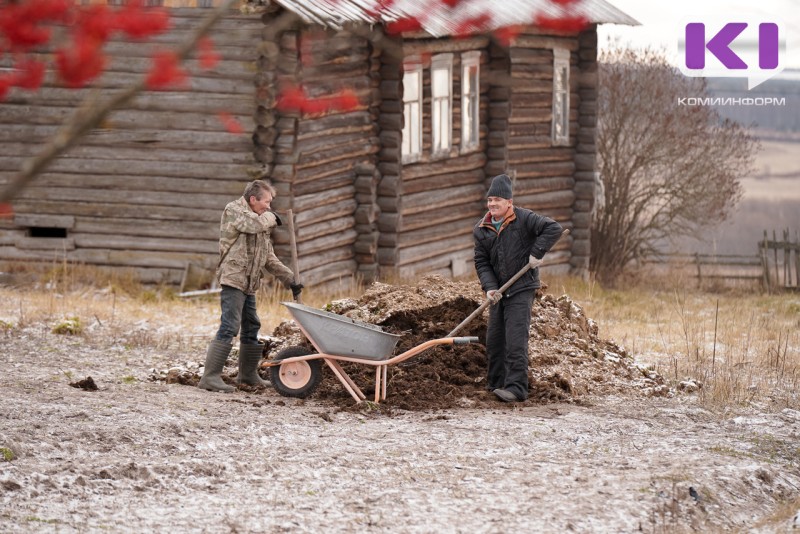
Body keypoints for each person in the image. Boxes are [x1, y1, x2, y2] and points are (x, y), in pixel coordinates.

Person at [199, 179, 303, 393]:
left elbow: (268, 257)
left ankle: (247, 375)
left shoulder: (260, 221)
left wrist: (289, 278)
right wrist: (270, 217)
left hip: (249, 282)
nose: (269, 207)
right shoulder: (234, 210)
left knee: (252, 326)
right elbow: (252, 225)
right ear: (253, 199)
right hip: (234, 278)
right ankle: (209, 378)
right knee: (230, 325)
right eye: (267, 202)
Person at [473, 174, 562, 403]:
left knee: (515, 339)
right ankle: (495, 384)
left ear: (509, 202)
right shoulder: (482, 229)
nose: (492, 204)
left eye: (497, 200)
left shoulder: (524, 219)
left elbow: (553, 228)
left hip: (522, 287)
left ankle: (516, 389)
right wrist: (490, 288)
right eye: (490, 200)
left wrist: (537, 253)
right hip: (500, 292)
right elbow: (482, 262)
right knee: (494, 340)